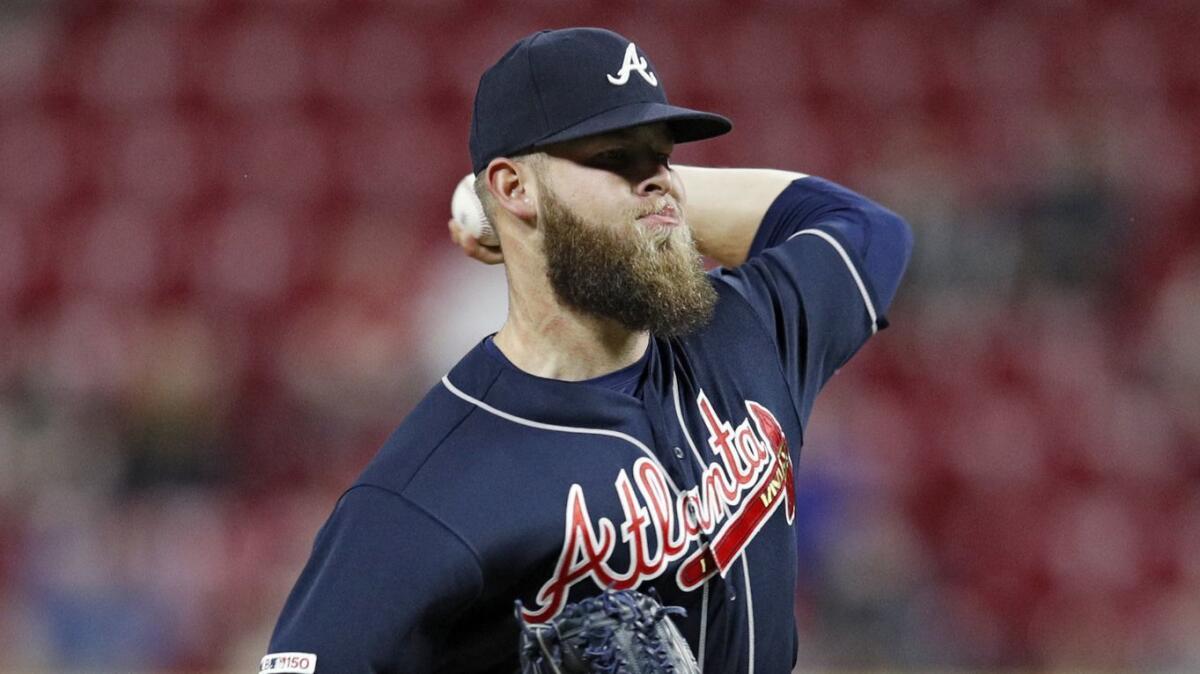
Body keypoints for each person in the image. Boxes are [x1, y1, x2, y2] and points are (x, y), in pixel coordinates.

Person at [263, 27, 912, 674]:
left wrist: (637, 194)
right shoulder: (425, 493)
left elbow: (867, 232)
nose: (659, 181)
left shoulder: (744, 331)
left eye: (662, 156)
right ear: (515, 187)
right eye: (614, 156)